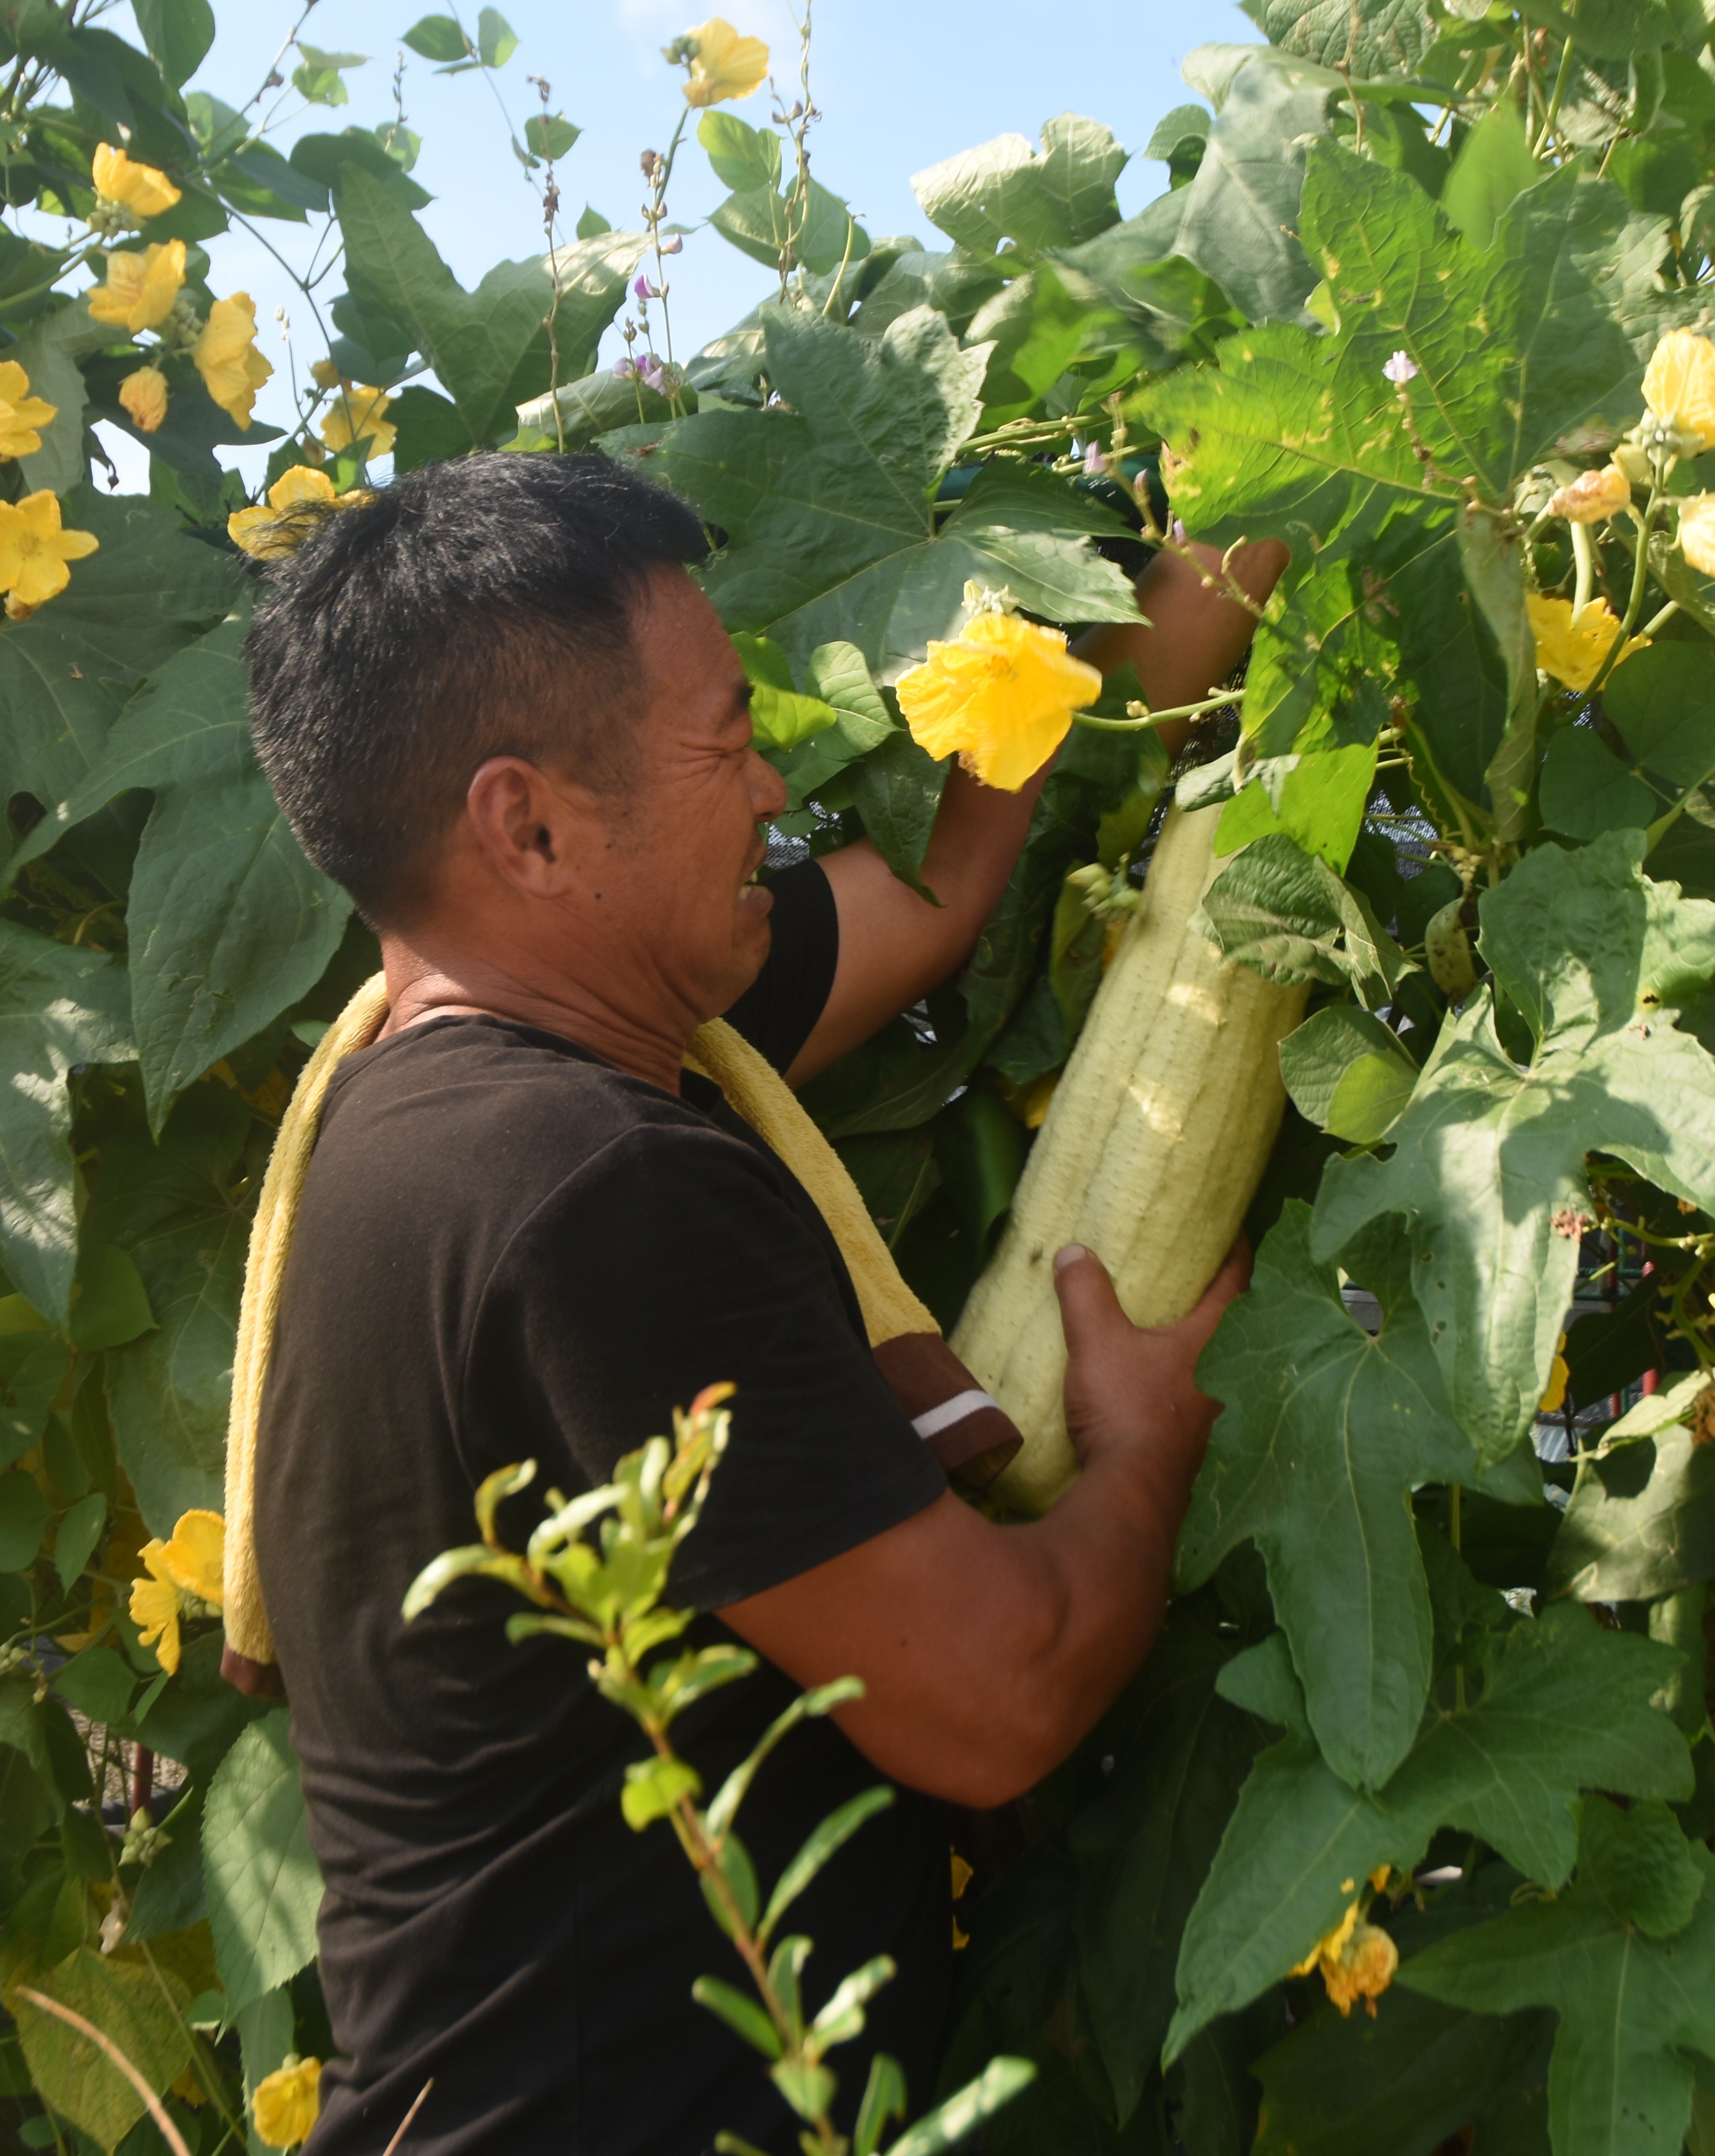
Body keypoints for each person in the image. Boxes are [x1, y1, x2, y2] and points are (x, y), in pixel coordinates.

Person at [237, 450, 1276, 2154]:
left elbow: (933, 895)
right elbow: (998, 1698)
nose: (778, 781)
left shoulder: (447, 1100)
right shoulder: (592, 1190)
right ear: (532, 824)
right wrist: (1145, 1448)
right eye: (725, 739)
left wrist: (1203, 593)